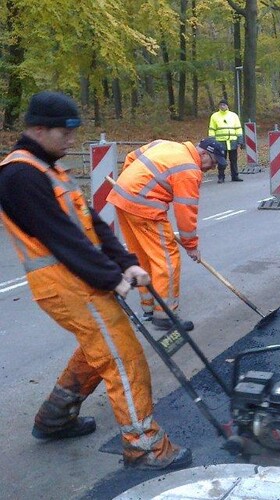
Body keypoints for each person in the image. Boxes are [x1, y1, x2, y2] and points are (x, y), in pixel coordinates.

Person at [0, 91, 191, 470]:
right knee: (123, 357)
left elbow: (92, 225)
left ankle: (55, 417)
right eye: (65, 131)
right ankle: (145, 447)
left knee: (98, 348)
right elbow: (60, 237)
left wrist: (126, 262)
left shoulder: (49, 168)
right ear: (38, 129)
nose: (71, 140)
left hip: (81, 279)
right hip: (65, 286)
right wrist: (110, 277)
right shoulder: (19, 175)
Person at [106, 137, 226, 331]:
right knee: (168, 259)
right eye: (212, 162)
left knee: (142, 256)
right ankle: (164, 314)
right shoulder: (189, 171)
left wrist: (130, 184)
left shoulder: (166, 144)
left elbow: (131, 157)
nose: (211, 168)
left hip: (123, 199)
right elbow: (186, 213)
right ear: (203, 154)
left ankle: (148, 307)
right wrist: (191, 246)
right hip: (145, 208)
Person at [208, 99, 243, 183]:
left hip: (232, 141)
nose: (222, 106)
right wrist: (212, 141)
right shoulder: (214, 116)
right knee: (221, 161)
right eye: (221, 105)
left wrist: (240, 140)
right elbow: (212, 129)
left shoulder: (233, 115)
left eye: (224, 105)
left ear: (227, 106)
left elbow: (238, 128)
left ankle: (235, 176)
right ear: (219, 106)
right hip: (220, 142)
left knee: (233, 160)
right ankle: (221, 177)